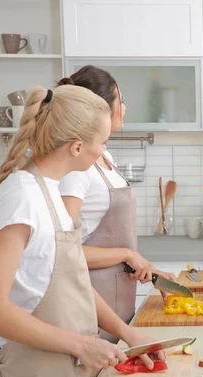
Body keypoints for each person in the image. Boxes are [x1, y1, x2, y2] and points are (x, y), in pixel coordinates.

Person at [0, 86, 164, 377]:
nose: (102, 152)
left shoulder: (50, 193)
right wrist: (80, 345)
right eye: (102, 142)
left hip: (69, 366)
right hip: (36, 374)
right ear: (76, 147)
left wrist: (127, 334)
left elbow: (75, 284)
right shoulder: (21, 197)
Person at [58, 66, 175, 343]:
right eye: (119, 100)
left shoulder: (104, 156)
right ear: (102, 108)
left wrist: (149, 268)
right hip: (89, 302)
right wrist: (126, 254)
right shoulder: (77, 170)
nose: (124, 107)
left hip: (118, 299)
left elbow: (111, 240)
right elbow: (63, 252)